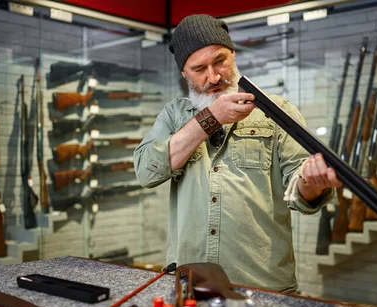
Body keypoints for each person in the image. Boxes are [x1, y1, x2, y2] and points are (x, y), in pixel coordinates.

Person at [133, 14, 342, 293]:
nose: (214, 76)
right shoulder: (174, 115)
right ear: (184, 73)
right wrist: (210, 119)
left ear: (233, 54)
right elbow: (146, 171)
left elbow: (300, 188)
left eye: (220, 60)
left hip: (263, 284)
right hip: (192, 282)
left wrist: (311, 184)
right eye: (199, 68)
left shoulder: (277, 112)